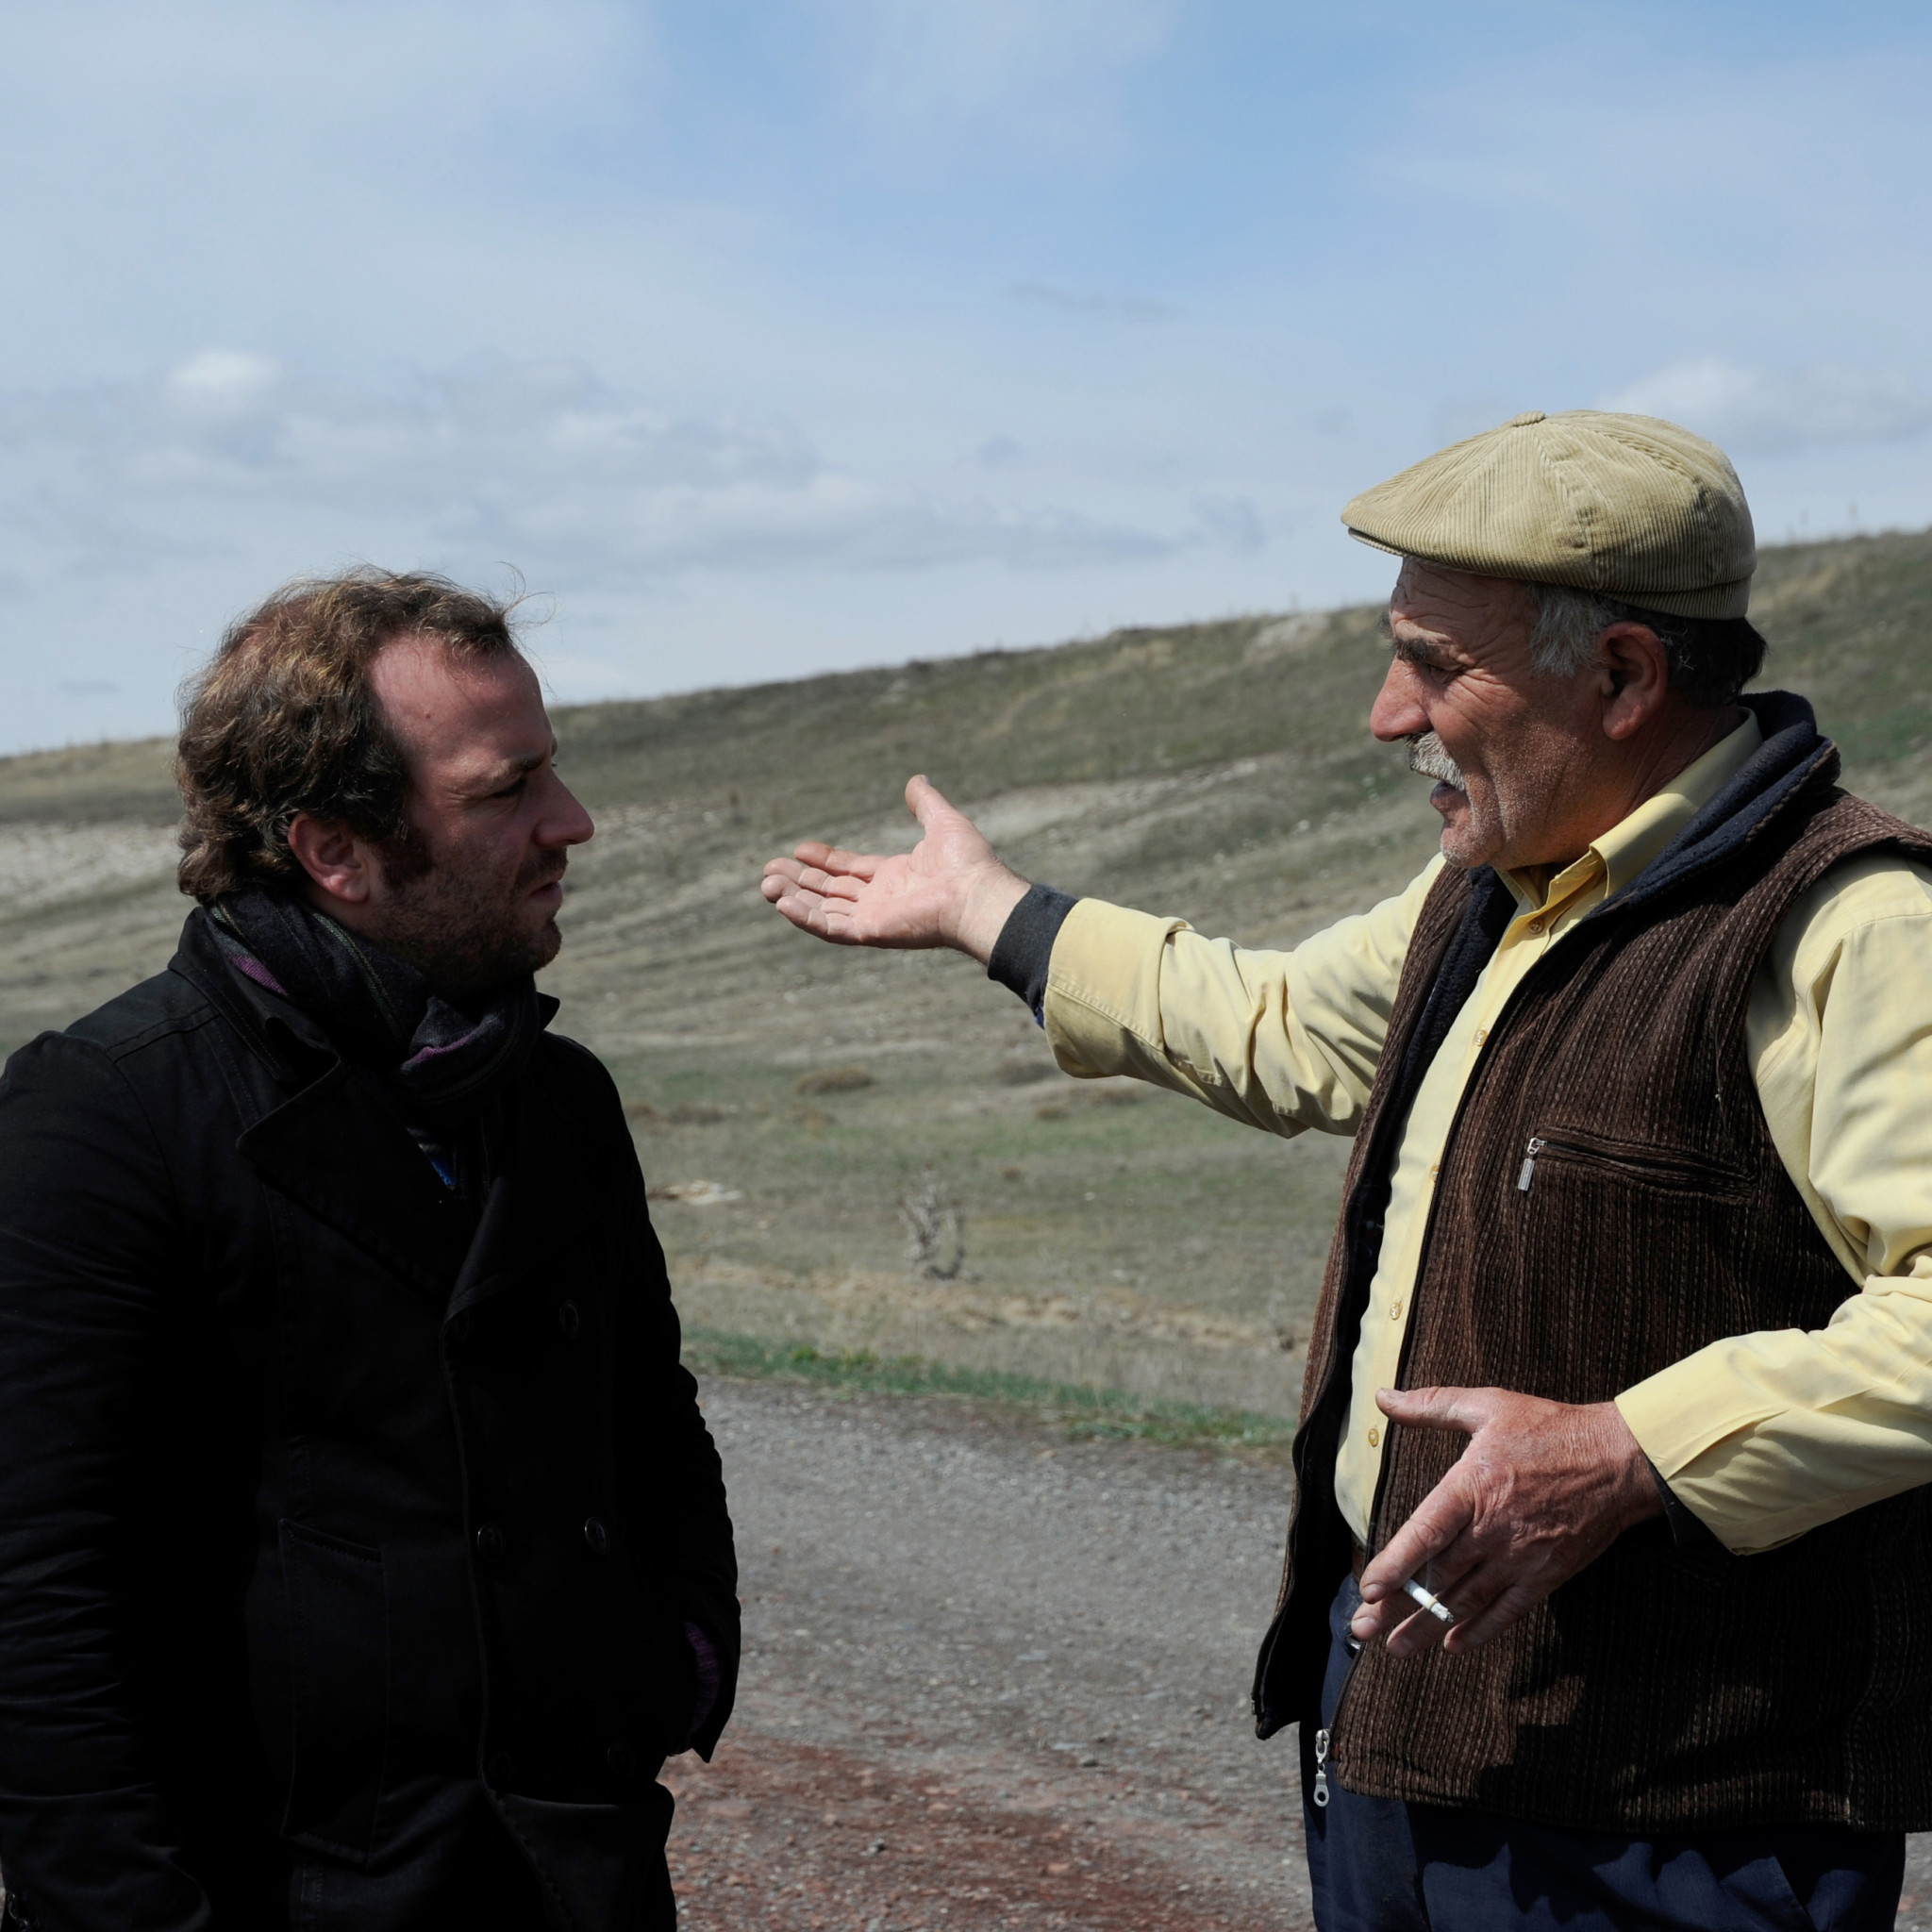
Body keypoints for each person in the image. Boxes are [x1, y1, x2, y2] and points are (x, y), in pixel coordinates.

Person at [759, 410, 1932, 1930]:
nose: (1390, 716)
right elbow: (1283, 1023)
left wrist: (1631, 1450)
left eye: (1437, 666)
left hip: (1676, 1817)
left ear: (1627, 675)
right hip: (1408, 1728)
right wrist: (996, 914)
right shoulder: (1494, 882)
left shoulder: (1853, 927)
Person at [0, 571, 738, 1931]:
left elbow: (648, 1414)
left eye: (552, 775)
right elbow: (40, 1593)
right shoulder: (106, 1111)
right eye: (504, 790)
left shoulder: (554, 1094)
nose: (569, 824)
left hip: (573, 1867)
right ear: (335, 846)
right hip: (291, 1881)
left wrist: (676, 1657)